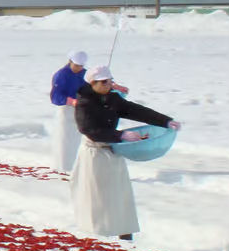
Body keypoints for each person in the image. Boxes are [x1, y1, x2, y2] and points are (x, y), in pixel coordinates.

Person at [71, 64, 180, 240]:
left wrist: (165, 121)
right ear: (93, 83)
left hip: (113, 151)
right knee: (98, 194)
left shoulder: (113, 99)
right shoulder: (84, 103)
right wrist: (120, 134)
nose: (108, 85)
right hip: (94, 154)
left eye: (110, 81)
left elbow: (135, 110)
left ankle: (124, 231)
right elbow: (88, 129)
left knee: (120, 193)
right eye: (104, 82)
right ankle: (98, 233)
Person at [48, 49, 89, 171]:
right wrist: (71, 101)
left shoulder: (84, 74)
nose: (79, 68)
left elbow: (95, 83)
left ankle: (76, 167)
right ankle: (62, 168)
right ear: (70, 62)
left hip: (81, 111)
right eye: (76, 65)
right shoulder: (61, 75)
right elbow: (55, 97)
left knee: (78, 141)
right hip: (66, 110)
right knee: (64, 141)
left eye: (81, 66)